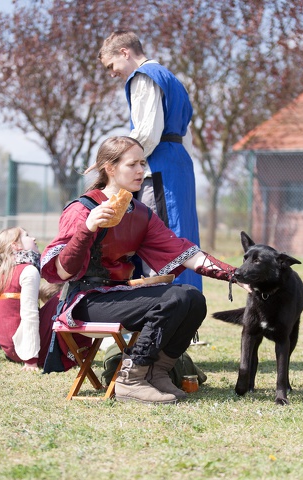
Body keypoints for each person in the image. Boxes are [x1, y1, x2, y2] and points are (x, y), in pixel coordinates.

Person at [41, 136, 240, 404]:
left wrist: (235, 275)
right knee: (175, 297)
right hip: (85, 301)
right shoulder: (82, 209)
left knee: (191, 298)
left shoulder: (141, 212)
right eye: (132, 164)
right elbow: (61, 272)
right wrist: (87, 228)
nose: (141, 171)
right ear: (110, 168)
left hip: (120, 295)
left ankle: (157, 373)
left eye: (143, 163)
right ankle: (130, 379)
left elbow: (187, 253)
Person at [98, 30, 202, 291]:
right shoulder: (174, 81)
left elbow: (146, 133)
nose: (112, 73)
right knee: (182, 237)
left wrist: (118, 165)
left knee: (158, 241)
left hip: (157, 169)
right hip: (179, 167)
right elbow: (184, 135)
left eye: (112, 65)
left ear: (125, 52)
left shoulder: (143, 77)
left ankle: (166, 314)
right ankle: (185, 311)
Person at [0, 227, 90, 371]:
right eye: (27, 236)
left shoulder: (4, 273)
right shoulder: (28, 270)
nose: (33, 239)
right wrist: (30, 359)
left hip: (11, 350)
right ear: (15, 246)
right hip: (25, 349)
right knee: (68, 295)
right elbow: (29, 314)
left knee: (62, 297)